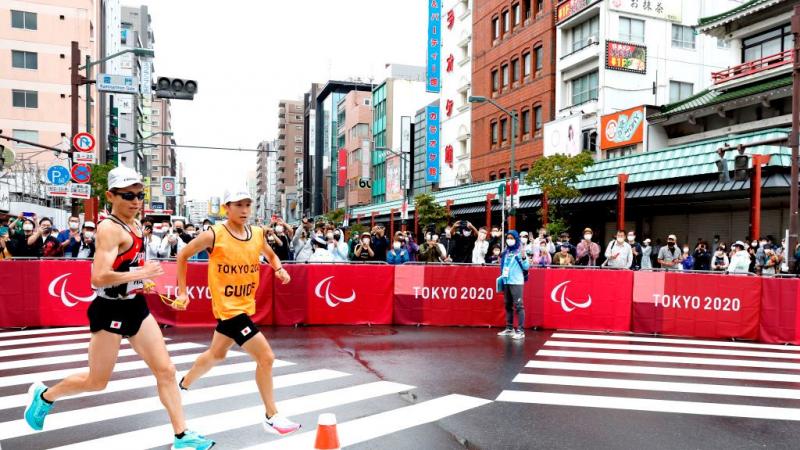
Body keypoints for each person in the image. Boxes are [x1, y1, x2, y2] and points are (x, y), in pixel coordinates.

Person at [23, 167, 214, 449]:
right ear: (111, 196)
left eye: (139, 195)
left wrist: (141, 281)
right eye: (128, 195)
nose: (136, 201)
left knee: (166, 370)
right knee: (96, 382)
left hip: (135, 306)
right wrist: (140, 275)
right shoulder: (109, 228)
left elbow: (128, 267)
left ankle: (182, 436)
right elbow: (98, 277)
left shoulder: (136, 224)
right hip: (109, 309)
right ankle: (45, 396)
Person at [175, 186, 300, 437]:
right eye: (238, 205)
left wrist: (279, 269)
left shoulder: (256, 234)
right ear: (227, 208)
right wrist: (182, 291)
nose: (244, 210)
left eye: (247, 205)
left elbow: (272, 256)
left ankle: (182, 384)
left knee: (216, 354)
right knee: (266, 358)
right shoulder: (214, 234)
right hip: (229, 309)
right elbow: (183, 255)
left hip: (245, 305)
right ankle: (271, 416)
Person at [497, 231, 529, 340]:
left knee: (519, 306)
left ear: (516, 239)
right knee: (507, 305)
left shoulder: (520, 251)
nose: (509, 240)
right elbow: (504, 265)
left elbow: (526, 267)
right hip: (506, 281)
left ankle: (520, 331)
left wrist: (524, 257)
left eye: (511, 238)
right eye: (508, 238)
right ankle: (510, 328)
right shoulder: (506, 251)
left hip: (516, 282)